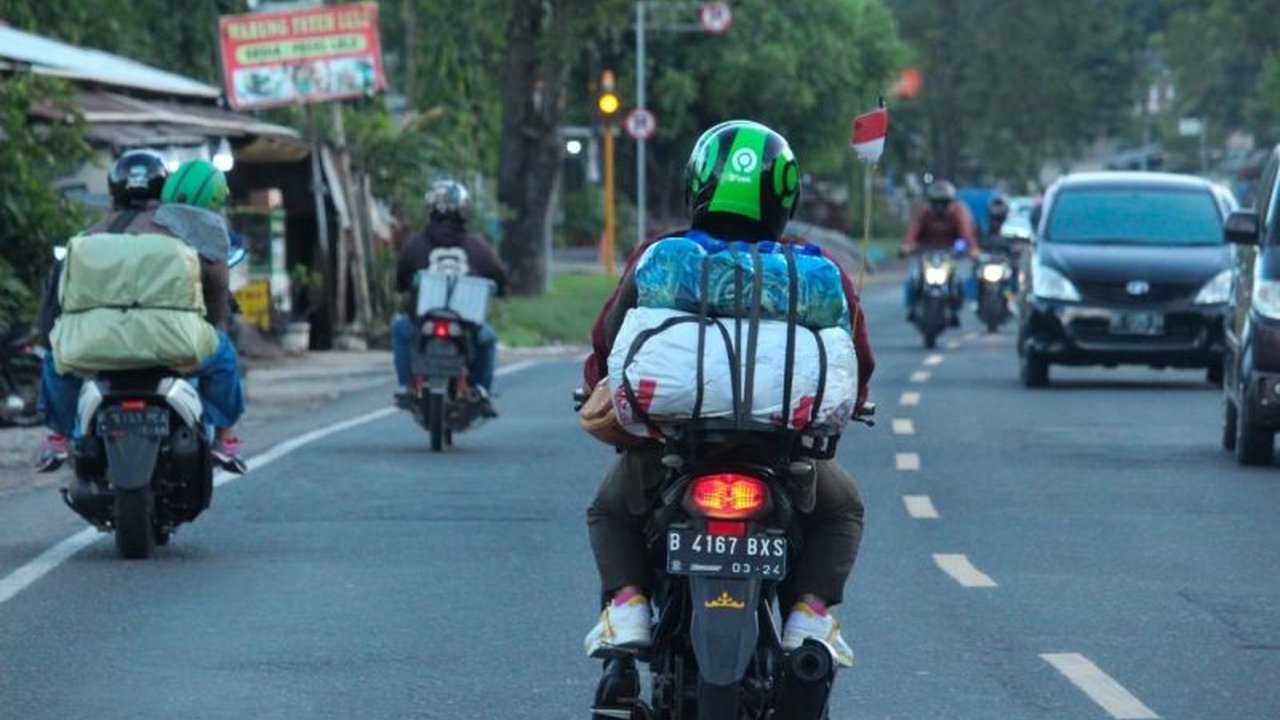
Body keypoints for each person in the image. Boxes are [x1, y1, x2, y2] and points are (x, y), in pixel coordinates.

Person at [580, 120, 874, 666]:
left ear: (696, 185)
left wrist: (598, 388)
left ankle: (628, 608)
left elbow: (609, 344)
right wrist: (850, 405)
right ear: (785, 197)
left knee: (611, 511)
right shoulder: (817, 269)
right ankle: (809, 617)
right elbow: (857, 362)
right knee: (842, 509)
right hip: (783, 458)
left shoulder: (661, 256)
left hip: (673, 450)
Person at [35, 153, 248, 474]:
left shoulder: (88, 237)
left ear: (113, 190)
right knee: (224, 356)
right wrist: (211, 324)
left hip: (96, 345)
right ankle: (225, 439)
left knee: (58, 358)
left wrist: (52, 337)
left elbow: (57, 302)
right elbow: (216, 296)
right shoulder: (194, 231)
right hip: (173, 344)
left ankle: (59, 438)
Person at [391, 179, 509, 416]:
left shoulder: (415, 244)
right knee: (487, 340)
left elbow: (400, 279)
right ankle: (481, 391)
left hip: (422, 320)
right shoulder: (477, 246)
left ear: (431, 209)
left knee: (399, 330)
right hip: (467, 322)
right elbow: (499, 276)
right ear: (464, 210)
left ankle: (409, 386)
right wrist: (501, 290)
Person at [899, 178, 978, 324]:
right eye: (936, 203)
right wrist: (906, 247)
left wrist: (972, 249)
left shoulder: (958, 212)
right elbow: (912, 232)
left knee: (959, 280)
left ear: (950, 202)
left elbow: (966, 234)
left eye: (944, 202)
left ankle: (954, 310)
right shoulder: (923, 213)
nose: (940, 206)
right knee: (912, 280)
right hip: (925, 252)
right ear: (931, 202)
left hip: (949, 253)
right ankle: (912, 308)